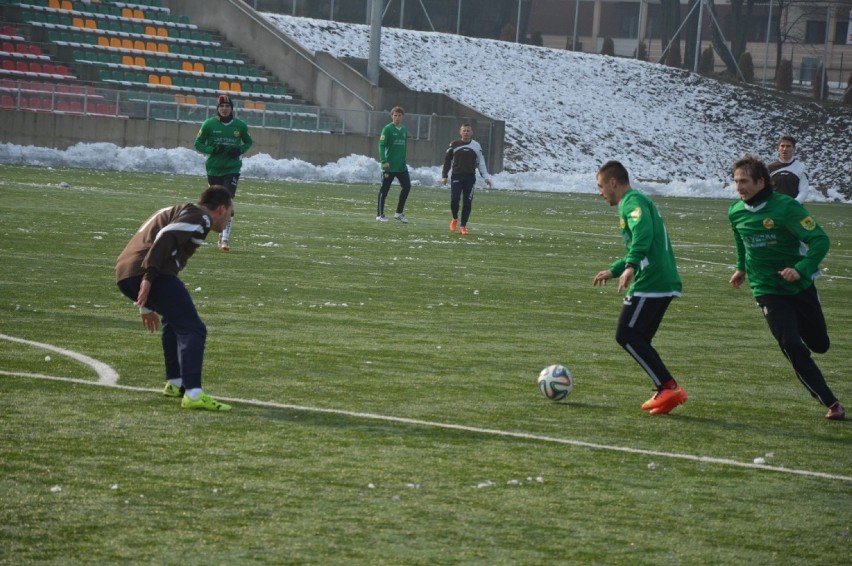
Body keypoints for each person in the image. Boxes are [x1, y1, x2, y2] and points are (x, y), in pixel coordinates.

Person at [729, 155, 844, 420]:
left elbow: (820, 240)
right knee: (790, 344)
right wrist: (741, 268)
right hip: (766, 289)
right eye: (736, 182)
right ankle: (831, 402)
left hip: (799, 286)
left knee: (820, 344)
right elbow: (740, 241)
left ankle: (810, 334)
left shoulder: (787, 208)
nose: (739, 187)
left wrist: (801, 269)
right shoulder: (735, 212)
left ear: (761, 181)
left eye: (744, 181)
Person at [115, 185, 235, 412]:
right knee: (193, 329)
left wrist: (147, 303)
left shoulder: (183, 210)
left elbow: (159, 243)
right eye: (230, 214)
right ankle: (193, 393)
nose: (228, 220)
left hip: (127, 272)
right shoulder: (201, 218)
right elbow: (165, 236)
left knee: (174, 318)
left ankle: (176, 382)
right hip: (146, 272)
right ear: (221, 209)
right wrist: (149, 277)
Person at [592, 160, 686, 415]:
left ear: (613, 183)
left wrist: (631, 266)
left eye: (601, 186)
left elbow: (642, 234)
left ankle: (668, 386)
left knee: (627, 335)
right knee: (639, 338)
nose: (600, 192)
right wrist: (615, 269)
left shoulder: (632, 202)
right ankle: (666, 391)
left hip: (652, 281)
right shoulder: (636, 202)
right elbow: (642, 244)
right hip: (661, 279)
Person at [194, 94, 253, 252]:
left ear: (232, 108)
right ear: (218, 109)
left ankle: (225, 238)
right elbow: (198, 143)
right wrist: (212, 149)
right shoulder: (209, 124)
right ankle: (206, 229)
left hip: (232, 168)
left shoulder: (240, 126)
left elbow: (248, 141)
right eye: (222, 107)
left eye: (227, 106)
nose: (225, 109)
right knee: (213, 203)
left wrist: (239, 150)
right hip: (214, 168)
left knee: (227, 199)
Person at [440, 123, 493, 235]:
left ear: (471, 132)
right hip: (456, 176)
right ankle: (455, 218)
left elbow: (481, 162)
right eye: (464, 130)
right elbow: (447, 161)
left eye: (468, 131)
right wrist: (444, 175)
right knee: (454, 200)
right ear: (460, 132)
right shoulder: (453, 144)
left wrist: (486, 177)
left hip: (470, 177)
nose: (466, 133)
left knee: (467, 202)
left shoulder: (476, 146)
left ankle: (463, 226)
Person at [376, 106, 411, 223]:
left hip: (401, 167)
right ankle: (380, 214)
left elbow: (404, 147)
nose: (397, 117)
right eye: (395, 115)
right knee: (384, 190)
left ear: (402, 117)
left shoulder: (404, 130)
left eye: (399, 115)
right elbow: (381, 146)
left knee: (407, 187)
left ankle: (399, 213)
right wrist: (383, 161)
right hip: (389, 167)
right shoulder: (387, 129)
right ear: (392, 116)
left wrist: (403, 160)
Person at [767, 135, 810, 203]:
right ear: (778, 148)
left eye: (788, 146)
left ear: (794, 149)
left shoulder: (801, 168)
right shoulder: (769, 168)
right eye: (782, 146)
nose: (785, 149)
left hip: (793, 209)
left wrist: (792, 204)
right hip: (775, 208)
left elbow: (803, 192)